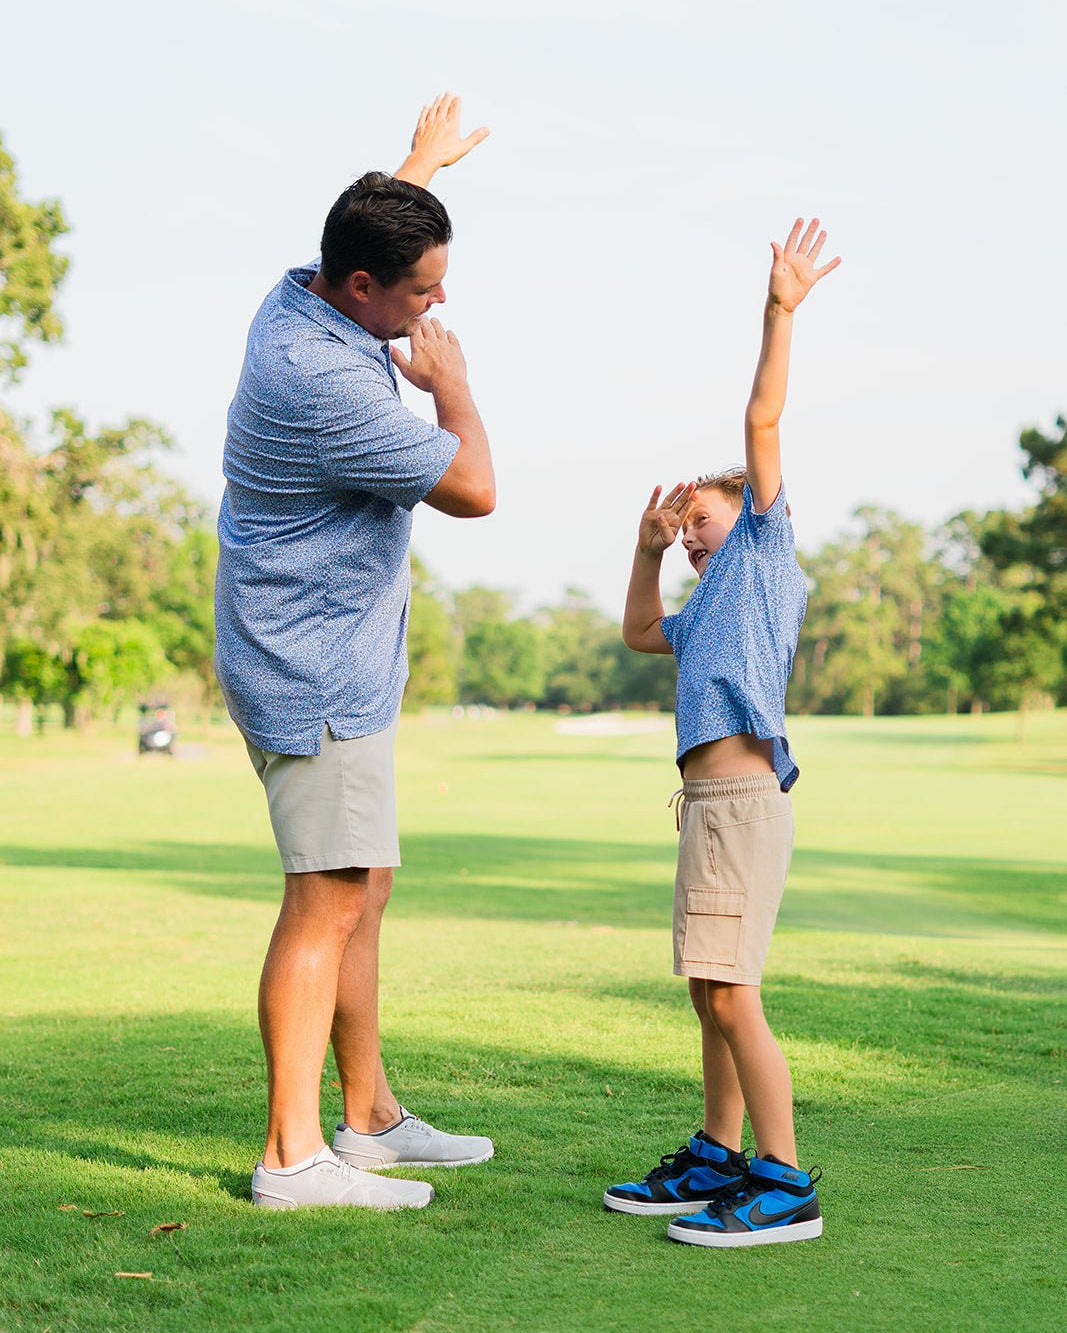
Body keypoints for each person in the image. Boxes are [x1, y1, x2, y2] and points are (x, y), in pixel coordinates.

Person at [214, 95, 496, 1211]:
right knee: (324, 897)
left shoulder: (308, 289)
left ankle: (369, 1116)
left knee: (362, 886)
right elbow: (472, 488)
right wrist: (452, 386)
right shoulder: (323, 377)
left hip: (333, 660)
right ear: (367, 288)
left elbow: (371, 224)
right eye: (424, 291)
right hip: (312, 672)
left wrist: (420, 163)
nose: (438, 304)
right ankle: (291, 1159)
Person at [603, 218, 841, 1247]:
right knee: (709, 990)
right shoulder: (702, 603)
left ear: (746, 515)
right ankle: (716, 1152)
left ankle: (782, 1181)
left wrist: (777, 310)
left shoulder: (761, 553)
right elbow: (636, 632)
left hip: (742, 802)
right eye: (685, 524)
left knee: (734, 993)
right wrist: (646, 549)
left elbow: (761, 418)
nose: (690, 532)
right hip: (704, 803)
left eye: (698, 518)